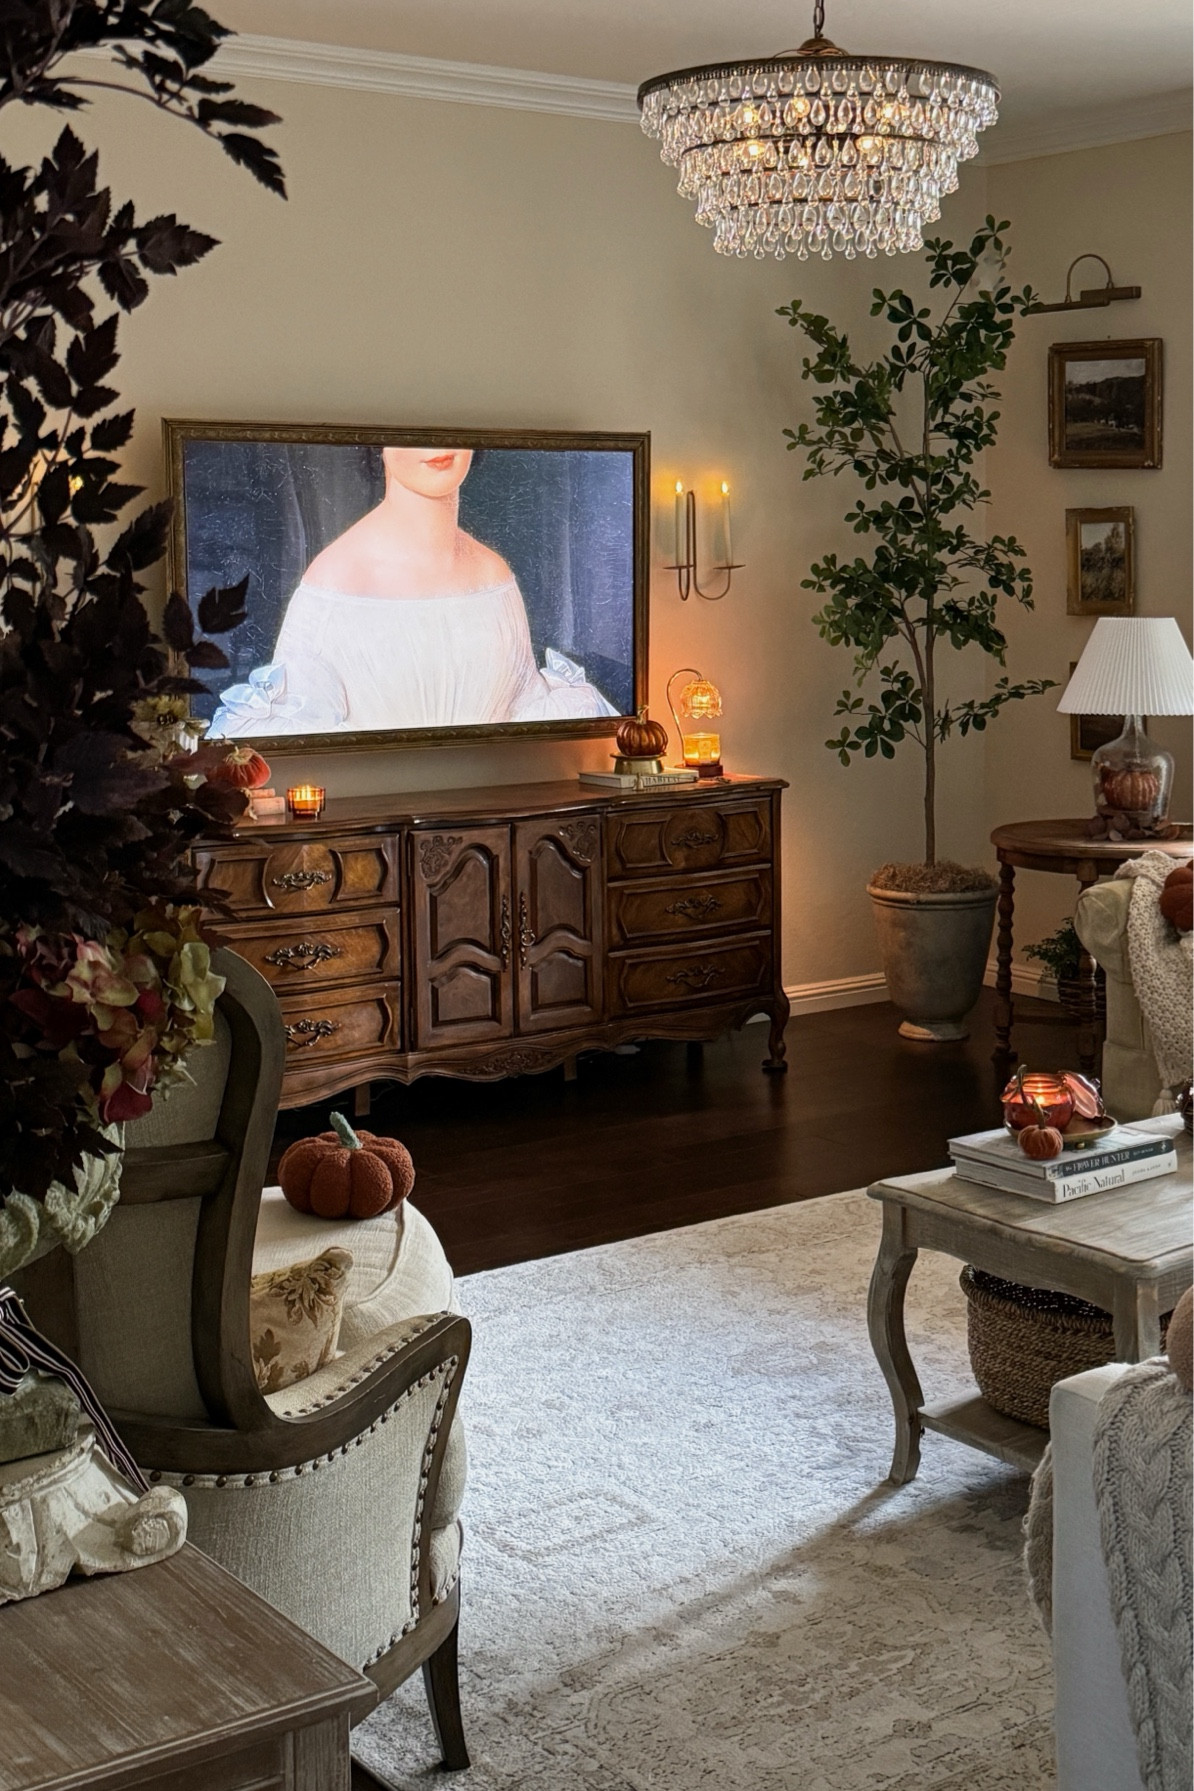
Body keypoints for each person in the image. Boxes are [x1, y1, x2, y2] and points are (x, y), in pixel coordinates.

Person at [210, 446, 615, 736]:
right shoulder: (338, 579)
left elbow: (522, 708)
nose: (437, 446)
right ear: (379, 448)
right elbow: (300, 737)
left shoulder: (492, 572)